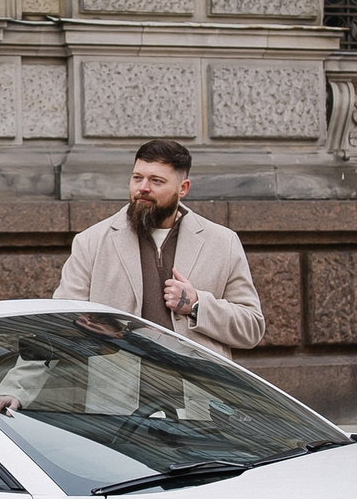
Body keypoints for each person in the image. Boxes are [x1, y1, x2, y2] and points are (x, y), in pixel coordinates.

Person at [53, 139, 265, 356]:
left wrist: (196, 305)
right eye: (137, 178)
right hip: (116, 386)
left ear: (183, 188)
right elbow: (61, 322)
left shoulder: (222, 243)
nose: (143, 188)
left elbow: (252, 328)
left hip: (198, 386)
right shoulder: (91, 242)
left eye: (156, 181)